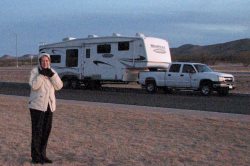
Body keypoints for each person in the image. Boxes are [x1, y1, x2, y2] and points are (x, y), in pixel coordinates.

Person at [28, 53, 63, 164]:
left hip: (49, 106)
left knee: (46, 132)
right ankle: (36, 157)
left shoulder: (52, 72)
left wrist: (52, 75)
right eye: (43, 61)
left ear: (50, 61)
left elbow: (59, 86)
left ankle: (43, 155)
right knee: (37, 132)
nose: (45, 63)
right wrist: (42, 75)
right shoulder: (35, 71)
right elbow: (34, 86)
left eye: (47, 61)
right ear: (40, 61)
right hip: (37, 107)